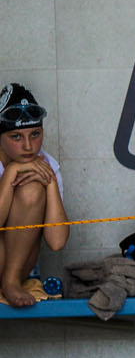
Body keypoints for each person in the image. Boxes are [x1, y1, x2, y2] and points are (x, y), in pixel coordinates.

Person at [0, 84, 68, 308]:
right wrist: (10, 172)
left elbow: (57, 242)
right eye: (16, 136)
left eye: (35, 134)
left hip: (15, 267)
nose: (28, 146)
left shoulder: (46, 164)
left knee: (32, 188)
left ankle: (10, 281)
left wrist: (50, 182)